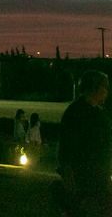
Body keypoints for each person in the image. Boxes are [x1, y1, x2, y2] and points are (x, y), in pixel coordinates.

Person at [57, 70, 111, 216]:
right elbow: (66, 148)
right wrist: (68, 175)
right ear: (95, 88)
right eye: (104, 87)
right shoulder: (76, 113)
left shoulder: (98, 112)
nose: (107, 91)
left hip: (98, 176)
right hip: (84, 178)